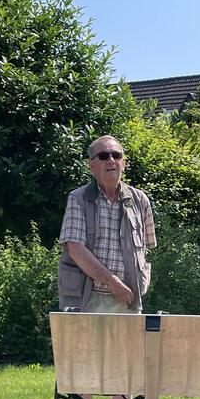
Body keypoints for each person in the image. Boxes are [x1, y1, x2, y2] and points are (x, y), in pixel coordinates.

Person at [58, 135, 157, 315]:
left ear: (123, 163)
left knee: (129, 345)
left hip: (128, 300)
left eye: (116, 155)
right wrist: (113, 282)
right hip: (88, 299)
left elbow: (146, 248)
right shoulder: (78, 199)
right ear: (92, 166)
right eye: (103, 156)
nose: (111, 160)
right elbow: (76, 250)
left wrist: (139, 283)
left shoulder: (140, 200)